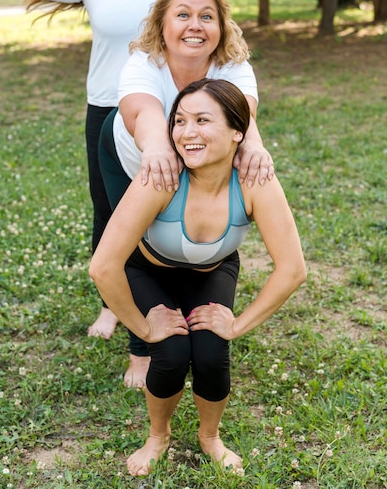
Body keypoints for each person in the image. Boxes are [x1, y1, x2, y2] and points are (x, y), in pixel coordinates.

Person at [12, 0, 279, 353]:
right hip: (114, 109)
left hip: (194, 114)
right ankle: (115, 303)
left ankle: (172, 310)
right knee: (112, 213)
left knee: (171, 215)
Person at [90, 78, 306, 477]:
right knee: (171, 353)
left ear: (237, 130)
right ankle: (158, 436)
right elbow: (103, 266)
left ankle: (210, 437)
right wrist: (144, 327)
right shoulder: (162, 176)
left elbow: (293, 269)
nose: (187, 133)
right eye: (180, 121)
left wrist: (238, 324)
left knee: (210, 350)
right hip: (149, 270)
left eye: (202, 120)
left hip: (211, 272)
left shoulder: (255, 180)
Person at [100, 0, 273, 387]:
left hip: (188, 158)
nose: (195, 24)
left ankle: (187, 305)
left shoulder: (234, 65)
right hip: (130, 154)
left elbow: (242, 117)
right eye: (183, 14)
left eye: (206, 16)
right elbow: (144, 113)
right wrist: (158, 148)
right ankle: (140, 348)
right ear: (162, 24)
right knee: (126, 241)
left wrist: (255, 146)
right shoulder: (144, 63)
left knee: (181, 232)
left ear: (220, 28)